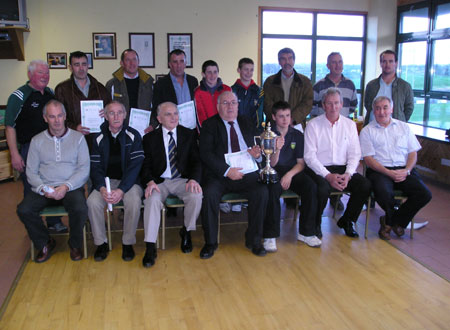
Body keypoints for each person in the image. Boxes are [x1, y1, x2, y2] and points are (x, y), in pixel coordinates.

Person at [16, 100, 90, 262]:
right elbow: (31, 171)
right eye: (51, 116)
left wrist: (66, 186)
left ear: (64, 116)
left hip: (70, 187)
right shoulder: (37, 141)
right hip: (44, 188)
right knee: (24, 209)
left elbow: (84, 169)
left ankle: (75, 244)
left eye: (59, 116)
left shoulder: (78, 138)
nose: (56, 120)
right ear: (45, 118)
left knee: (80, 207)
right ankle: (44, 242)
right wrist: (43, 188)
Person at [199, 91, 270, 258]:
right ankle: (210, 242)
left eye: (233, 103)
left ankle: (254, 240)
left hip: (247, 172)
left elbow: (257, 148)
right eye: (225, 103)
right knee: (209, 194)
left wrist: (257, 154)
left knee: (262, 191)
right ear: (218, 107)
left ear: (238, 106)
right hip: (220, 175)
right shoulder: (209, 125)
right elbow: (206, 154)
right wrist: (227, 171)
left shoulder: (246, 122)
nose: (230, 106)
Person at [5, 60, 67, 233]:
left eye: (47, 73)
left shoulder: (49, 93)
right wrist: (15, 154)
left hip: (52, 149)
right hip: (28, 150)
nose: (45, 76)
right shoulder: (19, 96)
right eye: (41, 73)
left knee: (53, 183)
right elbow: (10, 126)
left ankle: (54, 222)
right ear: (30, 74)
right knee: (32, 187)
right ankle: (35, 227)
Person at [360, 96, 432, 240]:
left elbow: (413, 153)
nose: (382, 112)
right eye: (378, 108)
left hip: (403, 169)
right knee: (384, 193)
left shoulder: (404, 127)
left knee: (424, 194)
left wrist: (407, 170)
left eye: (385, 107)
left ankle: (391, 222)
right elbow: (368, 159)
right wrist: (388, 173)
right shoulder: (367, 131)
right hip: (379, 170)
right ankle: (397, 224)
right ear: (373, 110)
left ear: (391, 109)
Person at [141, 102, 202, 268]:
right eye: (168, 114)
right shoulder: (149, 138)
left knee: (196, 195)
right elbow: (144, 164)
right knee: (151, 200)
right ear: (159, 118)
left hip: (183, 179)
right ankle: (150, 245)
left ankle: (187, 231)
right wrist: (149, 181)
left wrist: (194, 179)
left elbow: (197, 161)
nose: (174, 117)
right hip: (160, 181)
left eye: (176, 113)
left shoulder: (188, 134)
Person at [304, 87, 371, 238]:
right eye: (329, 103)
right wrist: (328, 176)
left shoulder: (350, 125)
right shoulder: (313, 125)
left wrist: (348, 174)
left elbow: (355, 153)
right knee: (321, 188)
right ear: (323, 105)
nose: (333, 107)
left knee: (364, 185)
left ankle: (347, 221)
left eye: (336, 103)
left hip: (343, 168)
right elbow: (309, 157)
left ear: (341, 104)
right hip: (320, 168)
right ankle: (316, 223)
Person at [87, 101, 144, 262]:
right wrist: (101, 187)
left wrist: (122, 190)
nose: (116, 116)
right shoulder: (97, 138)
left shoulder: (134, 136)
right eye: (112, 113)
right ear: (105, 116)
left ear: (125, 115)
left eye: (120, 112)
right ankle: (101, 243)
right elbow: (95, 167)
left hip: (130, 182)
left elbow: (135, 167)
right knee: (92, 202)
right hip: (106, 182)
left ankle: (127, 243)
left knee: (133, 200)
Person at [264, 101, 323, 252]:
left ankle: (306, 232)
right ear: (273, 117)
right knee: (272, 189)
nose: (285, 120)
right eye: (281, 116)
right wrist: (277, 149)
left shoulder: (297, 135)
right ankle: (270, 235)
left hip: (293, 170)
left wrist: (289, 175)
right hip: (273, 169)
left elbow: (301, 163)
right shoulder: (267, 134)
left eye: (288, 116)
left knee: (311, 186)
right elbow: (271, 163)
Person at [55, 51, 111, 137]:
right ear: (70, 67)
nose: (81, 68)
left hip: (98, 139)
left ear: (88, 66)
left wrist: (107, 113)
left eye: (84, 64)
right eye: (77, 65)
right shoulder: (62, 89)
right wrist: (75, 127)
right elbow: (57, 118)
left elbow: (110, 112)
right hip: (73, 138)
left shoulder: (101, 89)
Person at [105, 49, 155, 130]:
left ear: (138, 61)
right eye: (128, 60)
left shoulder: (149, 84)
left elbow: (156, 108)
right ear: (122, 63)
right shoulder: (112, 84)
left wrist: (152, 125)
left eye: (134, 59)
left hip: (145, 130)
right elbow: (107, 109)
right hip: (120, 131)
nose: (132, 63)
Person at [263, 48, 313, 126]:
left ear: (294, 60)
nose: (287, 62)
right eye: (283, 59)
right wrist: (280, 119)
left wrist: (292, 119)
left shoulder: (305, 82)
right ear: (279, 62)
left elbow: (307, 104)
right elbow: (267, 104)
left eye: (290, 58)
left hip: (296, 124)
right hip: (274, 126)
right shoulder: (270, 82)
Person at [364, 50, 414, 125]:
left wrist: (400, 122)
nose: (387, 64)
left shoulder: (405, 86)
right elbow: (367, 105)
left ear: (396, 63)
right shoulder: (371, 85)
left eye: (391, 61)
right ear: (380, 64)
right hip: (373, 129)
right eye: (384, 61)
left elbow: (409, 108)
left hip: (395, 130)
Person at [151, 49, 198, 126]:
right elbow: (156, 109)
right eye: (175, 62)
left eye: (181, 61)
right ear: (170, 64)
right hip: (171, 128)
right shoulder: (160, 84)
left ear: (186, 63)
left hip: (192, 128)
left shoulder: (193, 81)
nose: (179, 65)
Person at [312, 52, 358, 118]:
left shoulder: (350, 85)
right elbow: (311, 107)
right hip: (323, 126)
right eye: (334, 62)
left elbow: (353, 106)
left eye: (340, 62)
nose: (338, 65)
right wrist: (323, 116)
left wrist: (342, 115)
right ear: (328, 66)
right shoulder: (318, 86)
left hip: (343, 125)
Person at [194, 60, 231, 127]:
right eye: (209, 72)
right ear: (203, 74)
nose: (212, 75)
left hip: (224, 129)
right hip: (207, 131)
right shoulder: (198, 92)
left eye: (215, 72)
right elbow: (200, 116)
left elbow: (230, 112)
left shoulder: (227, 90)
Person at [231, 57, 263, 129]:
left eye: (251, 70)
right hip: (236, 131)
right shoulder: (231, 91)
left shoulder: (259, 92)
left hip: (254, 131)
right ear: (239, 70)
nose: (249, 73)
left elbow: (260, 115)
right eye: (246, 69)